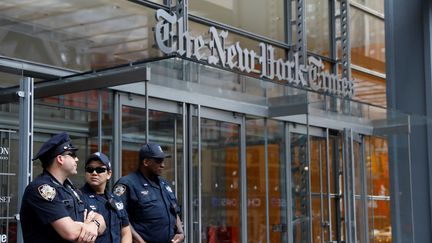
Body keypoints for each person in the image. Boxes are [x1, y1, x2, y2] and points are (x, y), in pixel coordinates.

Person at [20, 132, 106, 242]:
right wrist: (86, 227)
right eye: (73, 155)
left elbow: (102, 221)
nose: (77, 159)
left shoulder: (70, 189)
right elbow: (71, 233)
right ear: (60, 159)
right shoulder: (41, 189)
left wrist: (93, 225)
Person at [113, 143, 185, 243]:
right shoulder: (127, 184)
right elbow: (119, 218)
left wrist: (181, 232)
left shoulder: (163, 183)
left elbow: (173, 210)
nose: (163, 165)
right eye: (158, 161)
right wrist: (139, 241)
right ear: (146, 162)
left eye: (163, 160)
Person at [80, 152, 132, 243]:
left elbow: (125, 230)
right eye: (90, 169)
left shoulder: (116, 199)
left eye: (100, 170)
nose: (94, 173)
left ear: (109, 174)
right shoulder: (78, 198)